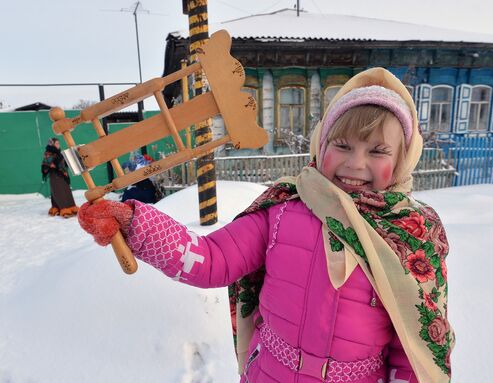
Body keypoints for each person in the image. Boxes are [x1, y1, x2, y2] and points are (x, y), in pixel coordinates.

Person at [77, 67, 454, 383]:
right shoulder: (284, 209)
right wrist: (134, 224)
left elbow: (414, 348)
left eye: (377, 151)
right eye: (342, 145)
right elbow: (210, 259)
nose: (356, 163)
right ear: (321, 144)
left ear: (403, 159)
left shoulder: (411, 236)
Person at [41, 137, 79, 218]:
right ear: (52, 144)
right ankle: (64, 209)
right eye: (57, 143)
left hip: (62, 175)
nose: (58, 145)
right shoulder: (48, 153)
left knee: (66, 190)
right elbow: (46, 165)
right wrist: (54, 166)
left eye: (59, 143)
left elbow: (63, 164)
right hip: (55, 175)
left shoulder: (59, 153)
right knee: (59, 191)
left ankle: (69, 207)